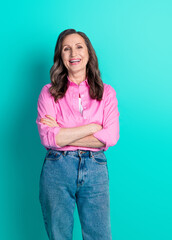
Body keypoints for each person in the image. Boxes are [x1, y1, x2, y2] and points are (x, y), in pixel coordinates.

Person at [36, 28, 119, 240]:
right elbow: (48, 138)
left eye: (79, 47)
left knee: (99, 236)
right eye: (66, 48)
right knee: (59, 235)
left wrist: (62, 133)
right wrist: (92, 128)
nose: (74, 53)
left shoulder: (106, 92)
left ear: (88, 53)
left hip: (95, 167)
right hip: (57, 168)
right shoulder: (48, 92)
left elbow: (111, 136)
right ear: (60, 56)